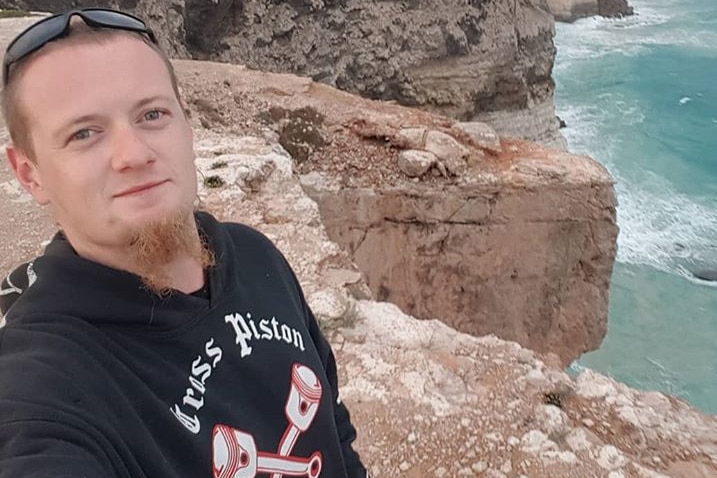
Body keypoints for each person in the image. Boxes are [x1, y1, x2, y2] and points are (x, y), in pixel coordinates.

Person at [0, 8, 368, 478]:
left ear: (186, 124)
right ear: (30, 175)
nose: (133, 154)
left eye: (152, 114)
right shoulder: (39, 389)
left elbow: (332, 429)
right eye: (84, 134)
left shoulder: (256, 257)